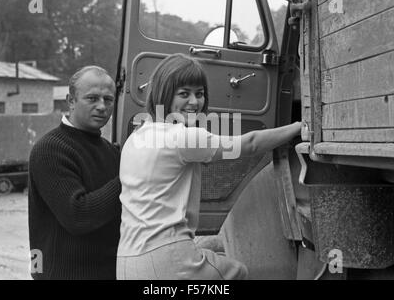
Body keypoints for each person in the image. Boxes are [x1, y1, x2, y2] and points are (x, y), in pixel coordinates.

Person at [116, 53, 302, 280]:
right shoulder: (181, 137)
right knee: (238, 272)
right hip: (168, 258)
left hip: (128, 261)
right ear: (163, 94)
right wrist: (298, 127)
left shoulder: (138, 135)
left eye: (200, 93)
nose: (194, 102)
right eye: (184, 94)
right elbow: (251, 144)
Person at [28, 66, 122, 279]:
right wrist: (131, 177)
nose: (102, 106)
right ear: (70, 101)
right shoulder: (50, 149)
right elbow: (78, 216)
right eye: (92, 98)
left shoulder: (110, 151)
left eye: (108, 100)